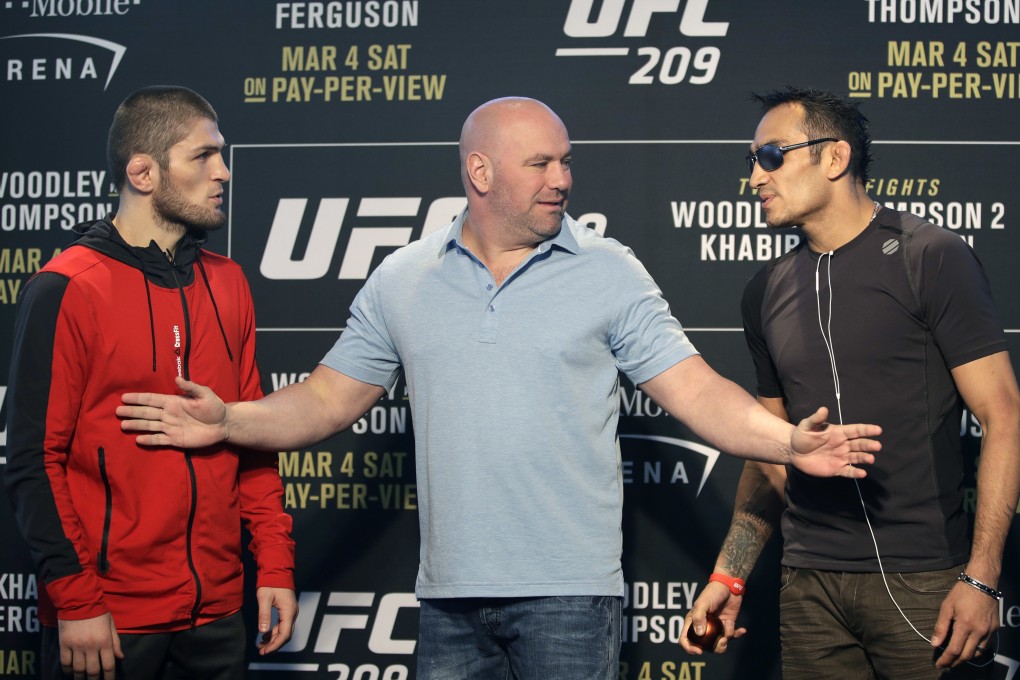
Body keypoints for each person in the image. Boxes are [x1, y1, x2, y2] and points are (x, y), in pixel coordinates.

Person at [116, 96, 880, 680]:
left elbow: (700, 393)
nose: (564, 180)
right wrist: (229, 422)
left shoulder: (608, 270)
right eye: (542, 164)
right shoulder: (404, 279)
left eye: (566, 162)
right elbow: (323, 400)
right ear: (480, 173)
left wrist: (788, 443)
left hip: (571, 601)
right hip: (447, 602)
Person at [679, 87, 1020, 679]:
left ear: (834, 158)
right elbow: (770, 450)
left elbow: (1003, 416)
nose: (756, 178)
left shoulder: (931, 258)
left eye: (771, 156)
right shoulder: (765, 291)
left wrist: (982, 576)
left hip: (926, 584)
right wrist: (729, 574)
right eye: (752, 161)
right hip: (808, 588)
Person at [3, 86, 297, 679]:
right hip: (108, 620)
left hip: (216, 614)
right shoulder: (67, 288)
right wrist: (77, 599)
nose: (224, 171)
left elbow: (253, 436)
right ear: (143, 172)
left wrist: (274, 564)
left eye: (222, 155)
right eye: (203, 156)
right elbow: (34, 462)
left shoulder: (229, 282)